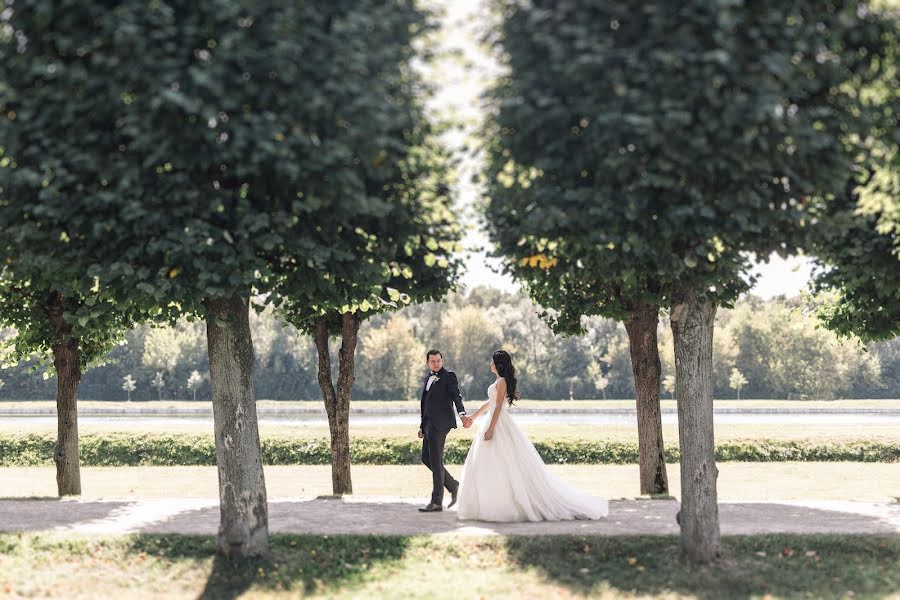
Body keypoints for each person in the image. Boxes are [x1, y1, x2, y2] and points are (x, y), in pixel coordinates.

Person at [456, 350, 608, 522]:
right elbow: (490, 404)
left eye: (492, 362)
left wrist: (491, 428)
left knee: (506, 460)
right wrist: (474, 417)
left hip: (498, 423)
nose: (489, 364)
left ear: (498, 364)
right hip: (492, 419)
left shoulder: (503, 382)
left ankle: (509, 504)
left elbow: (498, 407)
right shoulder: (498, 381)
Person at [417, 349, 472, 512]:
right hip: (428, 425)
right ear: (428, 363)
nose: (436, 364)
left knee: (435, 460)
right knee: (427, 458)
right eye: (433, 361)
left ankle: (436, 502)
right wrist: (422, 426)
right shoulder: (428, 378)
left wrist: (462, 414)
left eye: (439, 361)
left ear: (442, 361)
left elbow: (457, 396)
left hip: (441, 425)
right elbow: (425, 404)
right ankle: (453, 486)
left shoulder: (449, 376)